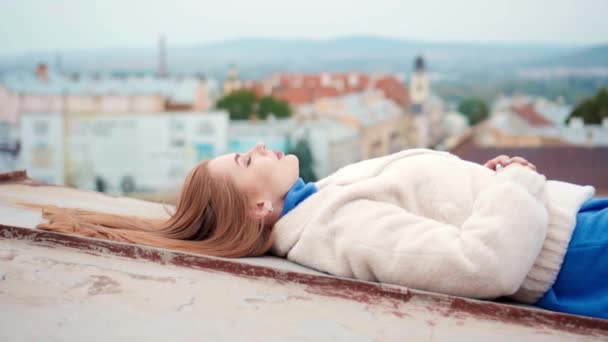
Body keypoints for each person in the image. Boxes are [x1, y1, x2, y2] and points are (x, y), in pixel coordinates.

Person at [35, 143, 606, 319]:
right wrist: (517, 188)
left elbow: (442, 216)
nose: (256, 146)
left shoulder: (323, 198)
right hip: (584, 255)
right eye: (241, 159)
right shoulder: (334, 226)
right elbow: (481, 265)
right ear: (259, 205)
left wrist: (481, 188)